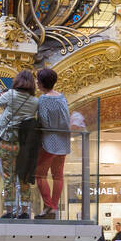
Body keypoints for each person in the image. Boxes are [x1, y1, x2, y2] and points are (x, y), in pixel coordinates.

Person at [0, 69, 39, 218]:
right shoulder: (35, 101)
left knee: (8, 177)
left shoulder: (10, 95)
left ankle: (9, 210)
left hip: (7, 142)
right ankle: (25, 211)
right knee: (24, 178)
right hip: (24, 145)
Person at [33, 67, 70, 219]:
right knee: (58, 176)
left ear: (41, 83)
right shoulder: (62, 97)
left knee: (40, 175)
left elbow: (44, 121)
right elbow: (66, 119)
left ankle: (49, 205)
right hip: (63, 141)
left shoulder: (43, 99)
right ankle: (53, 208)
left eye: (37, 79)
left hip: (49, 140)